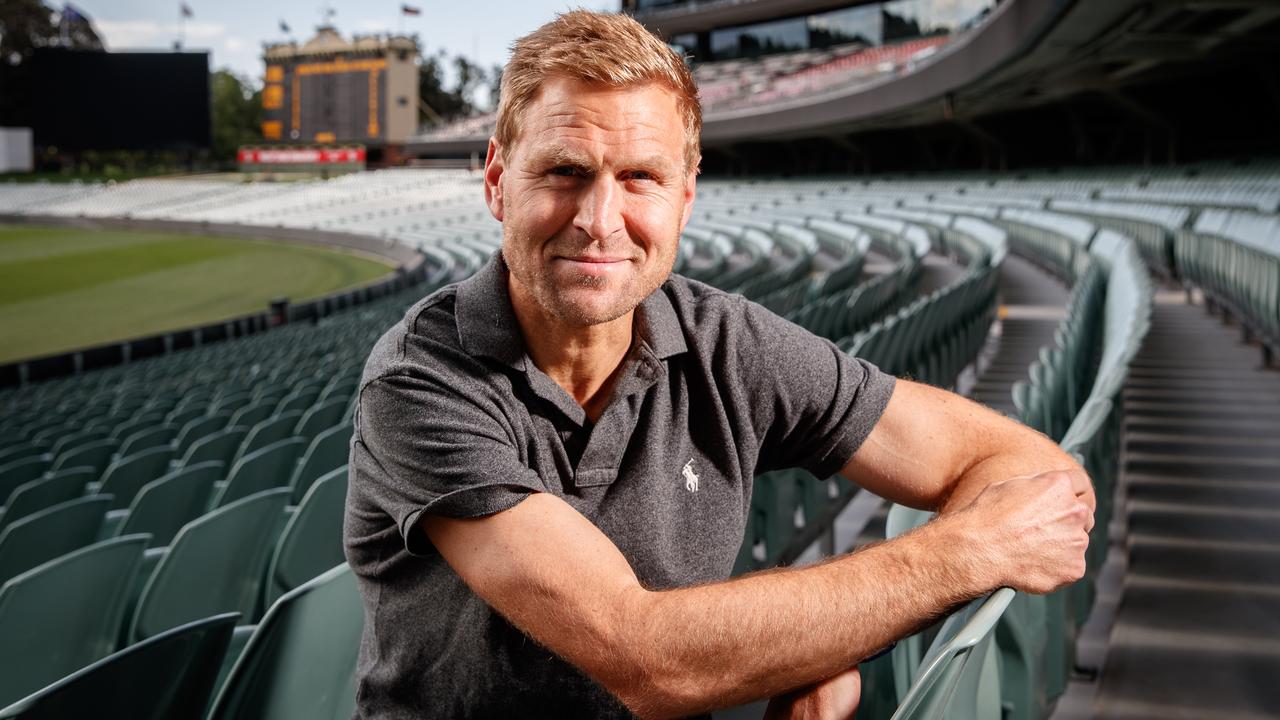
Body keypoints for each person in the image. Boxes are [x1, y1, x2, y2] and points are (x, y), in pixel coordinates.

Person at [344, 10, 1094, 720]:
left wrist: (825, 649)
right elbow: (643, 656)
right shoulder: (419, 381)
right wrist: (954, 557)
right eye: (563, 172)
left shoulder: (726, 341)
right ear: (497, 181)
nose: (599, 221)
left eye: (641, 177)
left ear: (687, 196)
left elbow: (1033, 471)